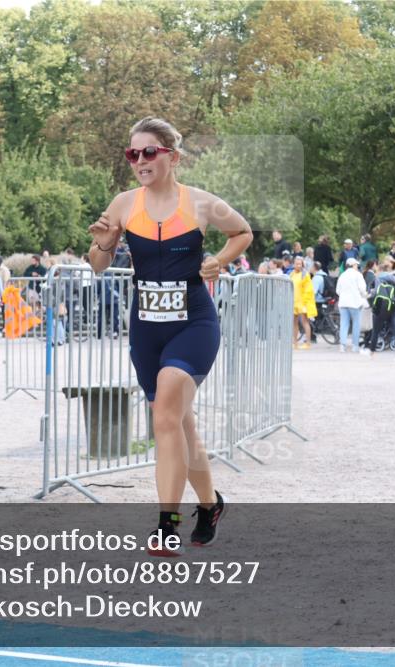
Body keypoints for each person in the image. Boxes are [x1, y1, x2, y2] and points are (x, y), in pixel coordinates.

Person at [86, 117, 252, 556]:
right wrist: (104, 243)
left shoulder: (200, 204)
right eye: (132, 154)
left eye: (148, 153)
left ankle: (166, 523)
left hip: (192, 324)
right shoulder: (124, 204)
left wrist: (219, 259)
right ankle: (210, 504)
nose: (139, 161)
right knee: (180, 424)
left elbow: (243, 232)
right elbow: (98, 265)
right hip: (147, 329)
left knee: (163, 418)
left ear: (172, 157)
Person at [367, 260, 395, 361]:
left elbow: (375, 292)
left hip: (380, 308)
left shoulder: (378, 278)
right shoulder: (393, 278)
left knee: (376, 331)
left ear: (379, 269)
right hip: (391, 307)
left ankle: (372, 353)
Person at [335, 257, 367, 352]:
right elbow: (362, 289)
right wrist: (364, 295)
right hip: (355, 303)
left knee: (344, 324)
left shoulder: (342, 275)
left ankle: (342, 345)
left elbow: (338, 290)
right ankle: (355, 345)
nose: (357, 266)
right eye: (356, 265)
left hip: (343, 303)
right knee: (356, 324)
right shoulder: (358, 275)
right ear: (353, 265)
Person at [290, 256, 316, 350]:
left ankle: (308, 343)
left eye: (299, 264)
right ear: (293, 264)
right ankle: (295, 343)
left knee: (305, 322)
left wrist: (306, 303)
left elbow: (309, 290)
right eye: (296, 263)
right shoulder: (292, 274)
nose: (297, 265)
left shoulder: (305, 275)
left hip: (302, 302)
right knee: (294, 323)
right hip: (294, 302)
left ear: (302, 264)